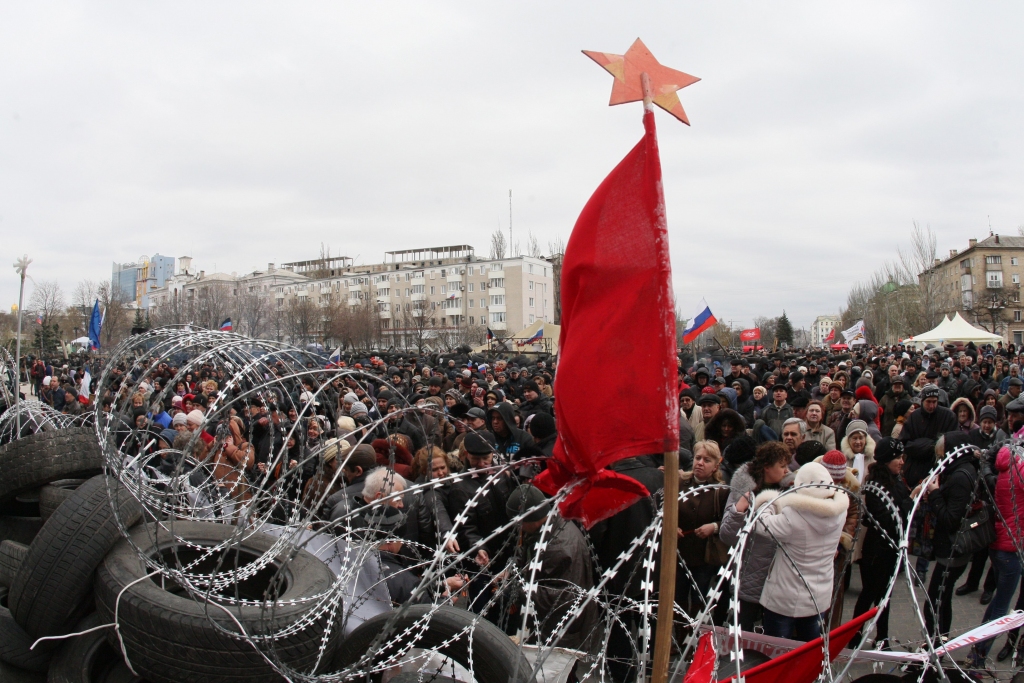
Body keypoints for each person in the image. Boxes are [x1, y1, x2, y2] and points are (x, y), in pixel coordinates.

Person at [752, 461, 849, 642]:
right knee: (808, 652)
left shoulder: (793, 517)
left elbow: (762, 523)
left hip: (784, 598)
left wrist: (770, 501)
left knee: (776, 651)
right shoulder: (839, 512)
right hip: (818, 595)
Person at [506, 485, 598, 650]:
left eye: (519, 522)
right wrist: (514, 568)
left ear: (530, 518)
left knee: (558, 675)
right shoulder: (549, 526)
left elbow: (561, 597)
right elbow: (529, 553)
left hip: (560, 632)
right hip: (553, 626)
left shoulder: (557, 547)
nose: (517, 527)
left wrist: (517, 587)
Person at [720, 442, 792, 631]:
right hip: (749, 572)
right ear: (767, 467)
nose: (787, 471)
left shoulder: (790, 492)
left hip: (778, 576)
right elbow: (727, 534)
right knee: (743, 631)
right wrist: (739, 510)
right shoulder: (743, 491)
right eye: (782, 466)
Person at [965, 436, 1024, 666]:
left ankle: (977, 649)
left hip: (1000, 545)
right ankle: (978, 656)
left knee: (998, 602)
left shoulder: (1005, 470)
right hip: (1011, 549)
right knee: (1000, 609)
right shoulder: (1019, 474)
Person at [852, 438, 912, 650]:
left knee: (883, 596)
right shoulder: (874, 485)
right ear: (886, 459)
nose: (901, 462)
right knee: (871, 594)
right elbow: (884, 519)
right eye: (897, 457)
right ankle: (856, 634)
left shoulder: (895, 480)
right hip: (876, 551)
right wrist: (909, 500)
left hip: (890, 550)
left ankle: (881, 636)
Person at [923, 433, 979, 642]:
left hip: (952, 551)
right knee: (943, 599)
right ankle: (942, 639)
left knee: (934, 602)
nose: (940, 461)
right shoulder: (963, 470)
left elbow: (951, 519)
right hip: (953, 550)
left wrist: (936, 494)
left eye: (941, 456)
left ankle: (935, 645)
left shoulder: (959, 478)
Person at [676, 441, 728, 617]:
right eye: (698, 458)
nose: (700, 463)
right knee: (678, 597)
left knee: (700, 598)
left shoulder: (720, 491)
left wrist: (714, 527)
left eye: (707, 460)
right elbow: (663, 510)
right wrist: (671, 527)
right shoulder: (679, 483)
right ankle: (677, 633)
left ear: (715, 465)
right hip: (678, 553)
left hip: (704, 556)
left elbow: (730, 522)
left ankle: (694, 633)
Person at [841, 420, 875, 487]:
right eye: (854, 438)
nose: (858, 442)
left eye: (861, 438)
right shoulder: (842, 460)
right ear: (848, 440)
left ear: (866, 439)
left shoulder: (873, 459)